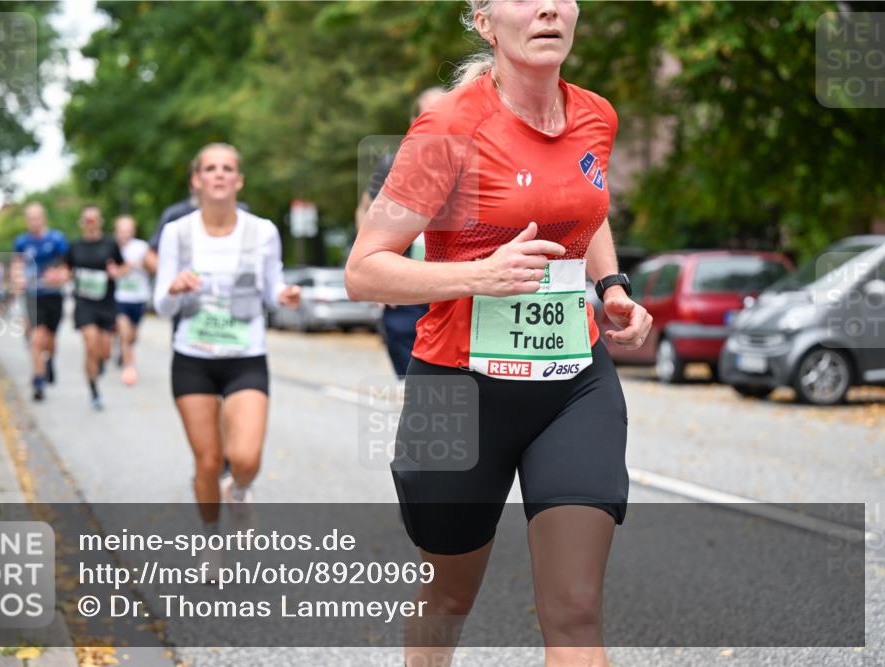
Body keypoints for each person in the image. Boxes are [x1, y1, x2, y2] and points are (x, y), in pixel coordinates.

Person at [345, 1, 653, 665]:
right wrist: (479, 273)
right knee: (448, 596)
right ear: (485, 23)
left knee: (575, 610)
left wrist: (612, 287)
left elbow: (584, 204)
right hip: (456, 392)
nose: (547, 7)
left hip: (574, 383)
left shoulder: (596, 115)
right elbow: (364, 271)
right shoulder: (447, 127)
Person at [153, 143, 300, 551]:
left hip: (245, 358)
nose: (219, 174)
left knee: (246, 458)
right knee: (207, 461)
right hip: (193, 359)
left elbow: (271, 289)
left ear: (238, 180)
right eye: (210, 168)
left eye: (228, 168)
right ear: (196, 180)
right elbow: (161, 306)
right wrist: (175, 289)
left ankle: (238, 492)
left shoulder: (263, 231)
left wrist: (284, 295)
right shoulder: (177, 233)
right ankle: (211, 544)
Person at [356, 87, 446, 378]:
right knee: (413, 377)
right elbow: (366, 211)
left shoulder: (476, 160)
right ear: (414, 122)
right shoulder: (394, 162)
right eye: (430, 115)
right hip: (406, 287)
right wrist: (374, 264)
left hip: (456, 287)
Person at [64, 206, 127, 410]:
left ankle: (99, 362)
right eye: (87, 220)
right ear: (81, 223)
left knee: (105, 352)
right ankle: (93, 390)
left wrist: (117, 271)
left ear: (100, 221)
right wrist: (59, 276)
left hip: (106, 303)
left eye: (94, 220)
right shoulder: (75, 246)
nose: (90, 223)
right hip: (84, 303)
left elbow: (123, 266)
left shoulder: (110, 243)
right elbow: (66, 269)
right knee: (90, 344)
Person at [13, 202, 69, 401]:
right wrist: (17, 279)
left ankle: (50, 359)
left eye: (37, 217)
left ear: (43, 218)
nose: (34, 221)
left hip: (53, 295)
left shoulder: (56, 239)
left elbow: (66, 267)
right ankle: (38, 381)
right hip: (33, 296)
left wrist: (61, 275)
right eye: (30, 218)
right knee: (37, 338)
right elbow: (17, 265)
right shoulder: (21, 242)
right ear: (26, 220)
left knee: (51, 340)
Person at [112, 215, 151, 386]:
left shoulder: (142, 247)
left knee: (133, 337)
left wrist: (138, 265)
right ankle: (130, 368)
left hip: (139, 298)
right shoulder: (111, 248)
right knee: (125, 333)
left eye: (128, 231)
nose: (125, 234)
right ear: (116, 232)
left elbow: (152, 267)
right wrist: (123, 269)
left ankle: (123, 351)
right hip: (119, 298)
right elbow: (112, 271)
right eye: (121, 231)